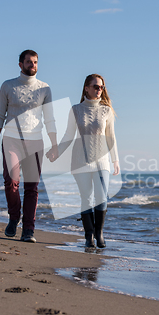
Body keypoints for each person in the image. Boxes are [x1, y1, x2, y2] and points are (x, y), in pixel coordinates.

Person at [0, 49, 58, 243]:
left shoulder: (45, 88)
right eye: (28, 62)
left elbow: (50, 119)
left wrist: (54, 145)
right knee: (11, 182)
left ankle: (28, 229)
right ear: (20, 65)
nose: (32, 65)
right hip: (11, 139)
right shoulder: (8, 86)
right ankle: (14, 217)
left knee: (32, 187)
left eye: (35, 62)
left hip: (35, 141)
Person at [47, 74, 119, 248]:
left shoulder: (106, 110)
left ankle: (99, 233)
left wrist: (115, 161)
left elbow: (111, 137)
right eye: (95, 86)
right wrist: (56, 150)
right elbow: (68, 135)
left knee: (101, 198)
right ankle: (89, 236)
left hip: (102, 161)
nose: (99, 90)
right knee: (86, 198)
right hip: (80, 161)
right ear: (86, 88)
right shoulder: (76, 109)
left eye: (101, 87)